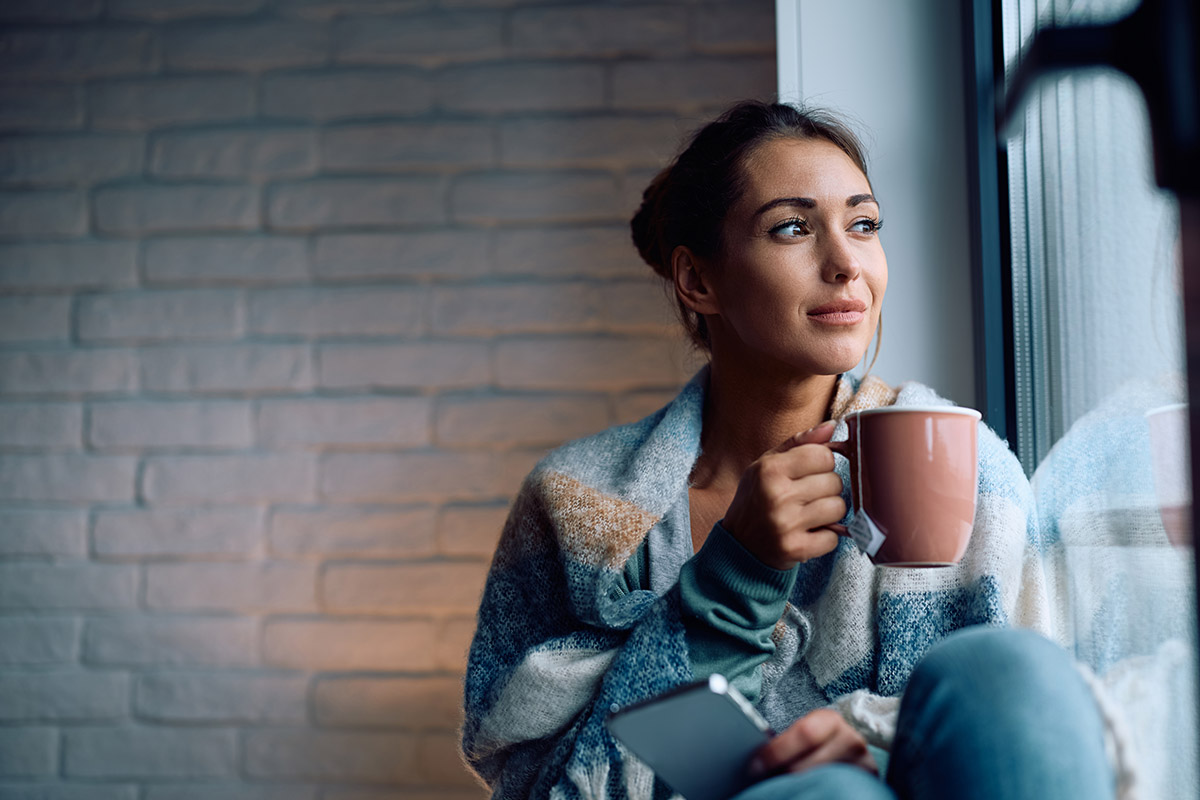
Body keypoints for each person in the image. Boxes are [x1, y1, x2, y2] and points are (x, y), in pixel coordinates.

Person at [461, 101, 1117, 800]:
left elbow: (1044, 728)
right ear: (698, 281)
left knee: (1007, 668)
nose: (846, 264)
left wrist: (878, 743)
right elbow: (539, 782)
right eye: (793, 228)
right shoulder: (576, 502)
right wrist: (731, 580)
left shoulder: (964, 462)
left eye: (863, 225)